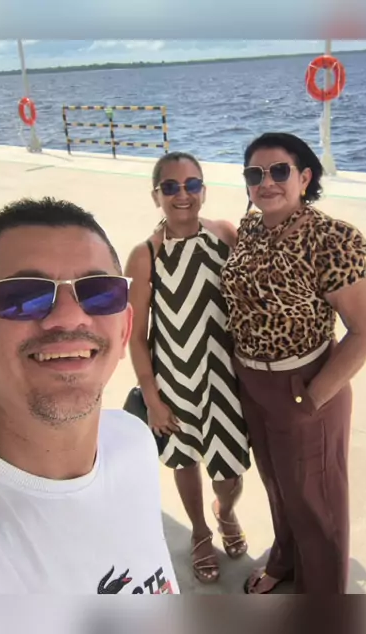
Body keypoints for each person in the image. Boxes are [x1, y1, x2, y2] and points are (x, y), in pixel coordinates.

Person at [0, 197, 178, 595]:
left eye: (99, 292)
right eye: (24, 296)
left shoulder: (133, 442)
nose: (70, 317)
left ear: (124, 330)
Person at [220, 132, 366, 594]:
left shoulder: (330, 239)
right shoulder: (251, 229)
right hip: (253, 382)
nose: (266, 182)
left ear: (305, 177)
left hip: (305, 382)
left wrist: (313, 398)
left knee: (317, 502)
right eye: (255, 174)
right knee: (279, 487)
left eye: (279, 171)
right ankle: (286, 561)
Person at [125, 152, 251, 584]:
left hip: (227, 378)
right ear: (156, 195)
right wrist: (152, 397)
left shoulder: (225, 234)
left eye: (192, 184)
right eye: (171, 187)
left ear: (204, 190)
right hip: (175, 378)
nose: (183, 194)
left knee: (230, 470)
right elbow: (135, 336)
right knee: (185, 461)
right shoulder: (145, 255)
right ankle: (199, 530)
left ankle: (225, 511)